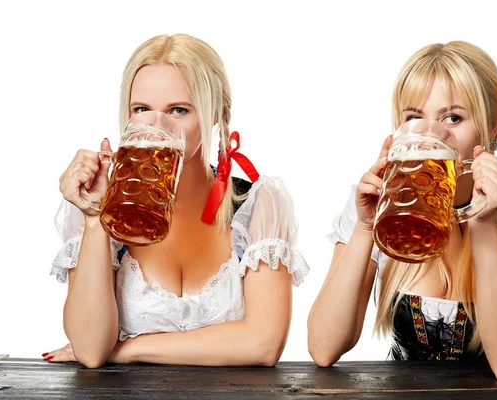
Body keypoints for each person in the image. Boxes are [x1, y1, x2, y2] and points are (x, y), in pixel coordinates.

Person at [307, 41, 497, 380]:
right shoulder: (385, 202)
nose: (432, 136)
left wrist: (483, 223)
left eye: (454, 117)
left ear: (492, 127)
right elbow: (323, 347)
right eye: (414, 118)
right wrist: (365, 228)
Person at [45, 33, 309, 368]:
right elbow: (92, 350)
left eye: (179, 110)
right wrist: (97, 217)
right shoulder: (99, 207)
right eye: (141, 109)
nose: (157, 127)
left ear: (216, 114)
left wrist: (130, 349)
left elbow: (263, 344)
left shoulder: (258, 204)